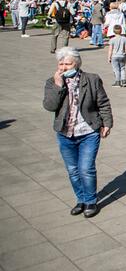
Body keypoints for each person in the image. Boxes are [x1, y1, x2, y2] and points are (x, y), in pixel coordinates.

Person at [43, 47, 113, 218]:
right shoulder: (52, 82)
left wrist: (107, 123)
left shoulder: (92, 79)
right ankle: (80, 199)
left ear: (77, 63)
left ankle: (90, 201)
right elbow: (49, 106)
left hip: (88, 131)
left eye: (68, 63)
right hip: (65, 134)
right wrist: (59, 86)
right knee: (73, 170)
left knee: (86, 168)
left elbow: (103, 102)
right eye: (61, 63)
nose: (64, 67)